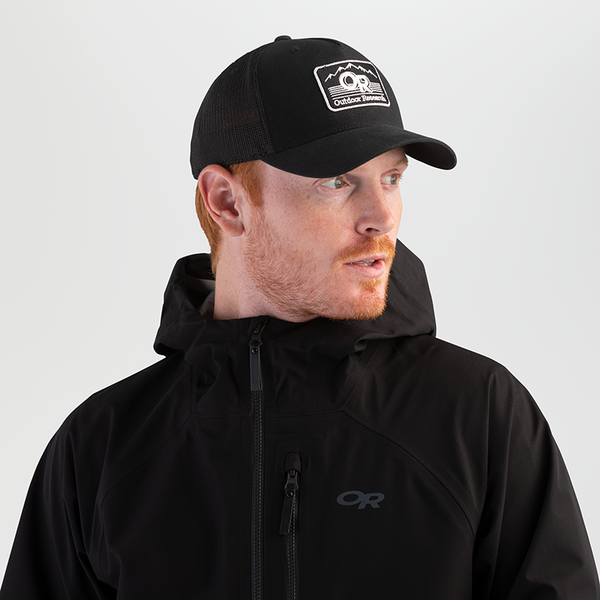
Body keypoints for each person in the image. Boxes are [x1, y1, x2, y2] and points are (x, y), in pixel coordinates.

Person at [1, 35, 598, 599]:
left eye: (391, 177)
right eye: (337, 181)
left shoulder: (479, 416)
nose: (381, 216)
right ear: (227, 201)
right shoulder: (101, 448)